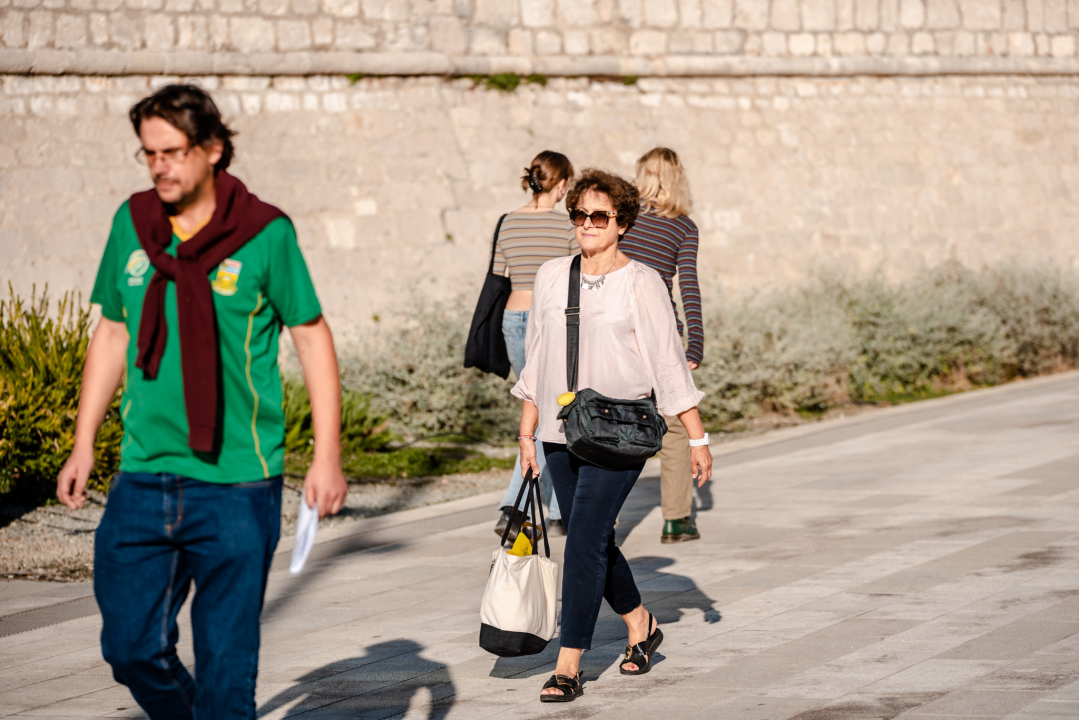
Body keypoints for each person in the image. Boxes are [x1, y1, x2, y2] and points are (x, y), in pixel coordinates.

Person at [55, 84, 348, 720]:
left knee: (225, 672)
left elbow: (311, 336)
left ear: (212, 149)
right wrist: (83, 443)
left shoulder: (264, 233)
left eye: (172, 152)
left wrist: (326, 456)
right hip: (143, 475)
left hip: (237, 481)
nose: (158, 166)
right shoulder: (132, 223)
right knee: (130, 649)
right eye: (148, 153)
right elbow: (112, 332)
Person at [512, 169, 714, 702]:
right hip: (560, 431)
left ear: (621, 223)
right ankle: (640, 622)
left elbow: (668, 364)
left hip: (620, 432)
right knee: (593, 538)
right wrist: (527, 432)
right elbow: (537, 356)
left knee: (582, 541)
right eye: (579, 214)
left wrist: (696, 438)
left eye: (599, 216)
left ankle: (569, 665)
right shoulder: (553, 274)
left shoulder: (642, 282)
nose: (587, 223)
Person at [620, 147, 705, 544]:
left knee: (614, 420)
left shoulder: (623, 217)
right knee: (673, 425)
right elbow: (688, 287)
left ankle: (607, 521)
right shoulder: (684, 227)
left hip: (617, 327)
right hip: (662, 331)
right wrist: (695, 344)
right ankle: (676, 520)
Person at [492, 151, 576, 539]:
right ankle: (514, 507)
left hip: (512, 319)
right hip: (549, 321)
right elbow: (574, 278)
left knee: (539, 409)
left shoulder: (507, 222)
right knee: (548, 414)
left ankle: (558, 510)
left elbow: (499, 273)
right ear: (562, 184)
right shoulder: (566, 226)